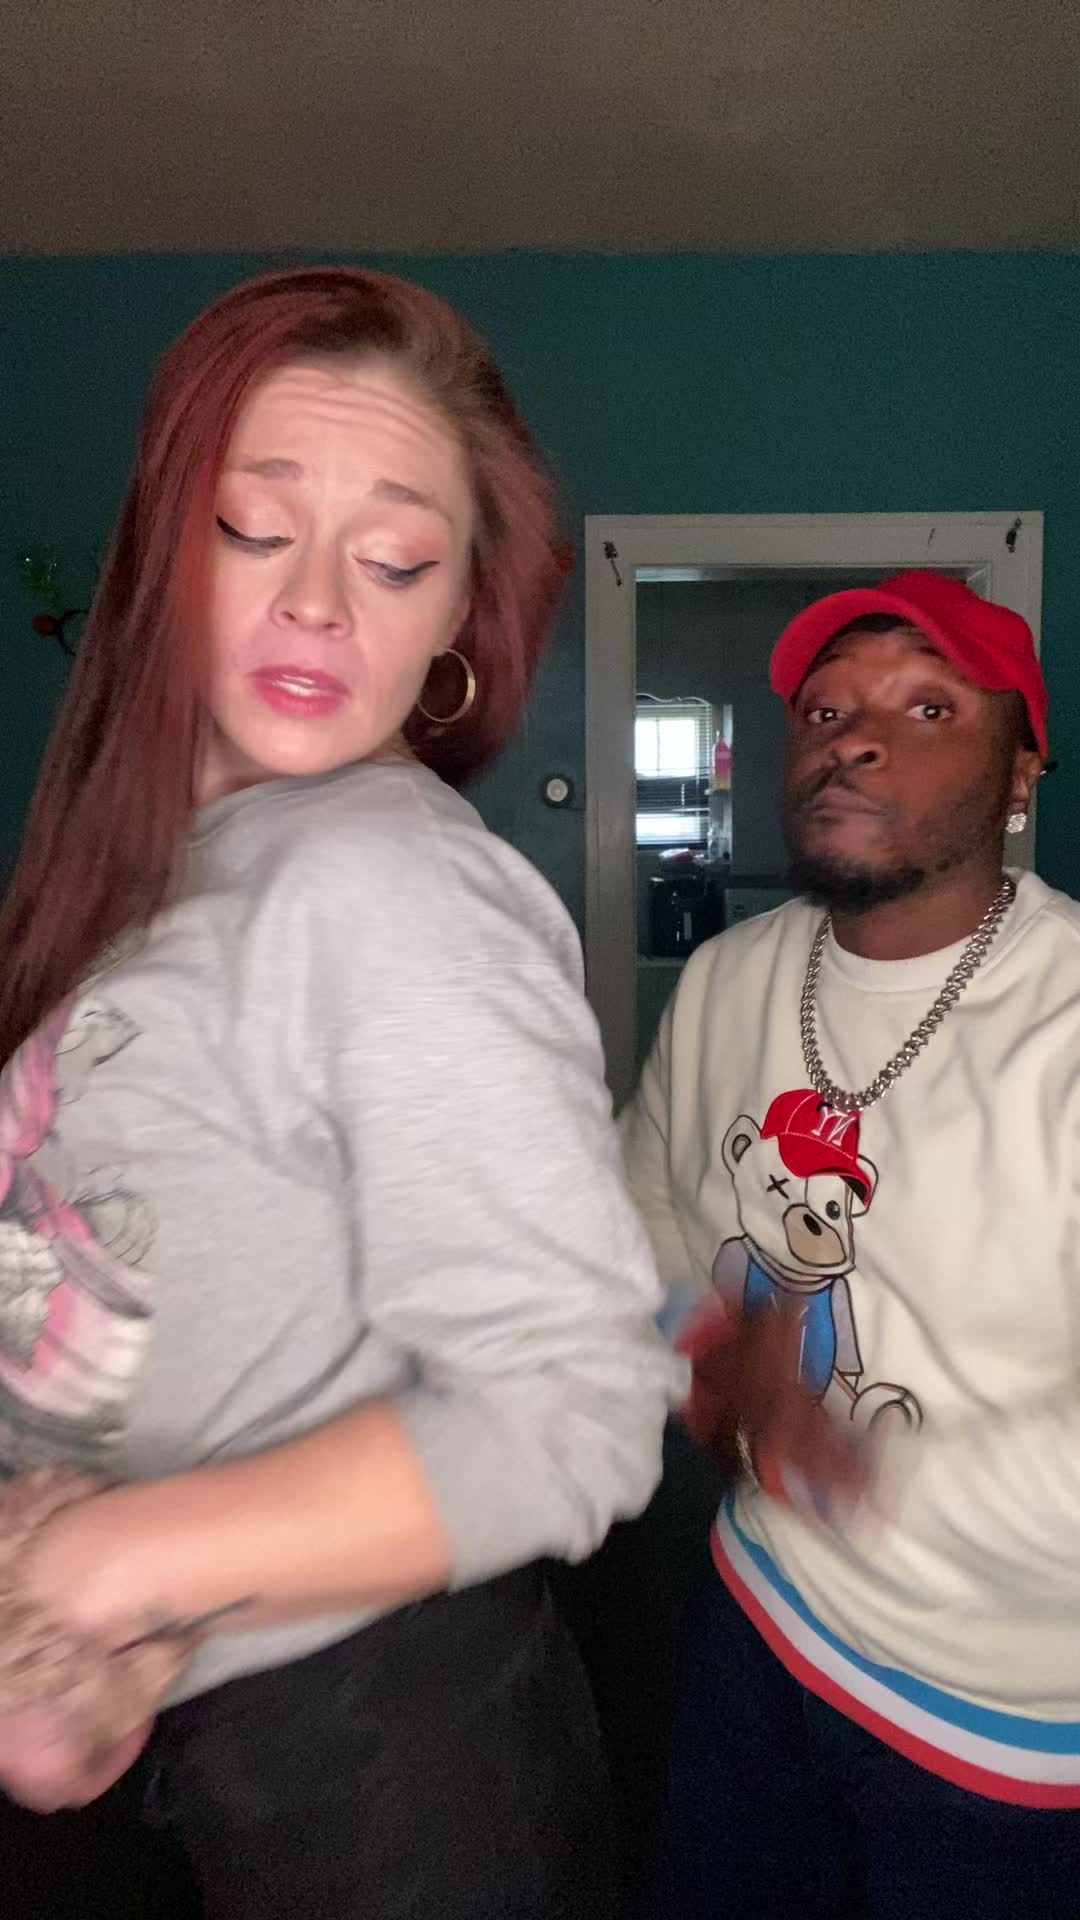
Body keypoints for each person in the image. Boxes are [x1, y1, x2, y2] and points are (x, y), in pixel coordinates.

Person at [0, 266, 681, 1919]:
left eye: (393, 561)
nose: (318, 602)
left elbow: (576, 1408)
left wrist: (108, 1563)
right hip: (164, 1714)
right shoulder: (157, 869)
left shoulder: (387, 887)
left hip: (381, 1768)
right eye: (254, 527)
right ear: (164, 551)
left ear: (455, 622)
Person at [621, 570, 1080, 1919]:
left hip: (1001, 1726)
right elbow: (643, 1191)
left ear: (1020, 773)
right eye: (827, 711)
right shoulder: (730, 976)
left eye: (928, 708)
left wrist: (846, 1467)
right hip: (758, 1616)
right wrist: (701, 1350)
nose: (856, 739)